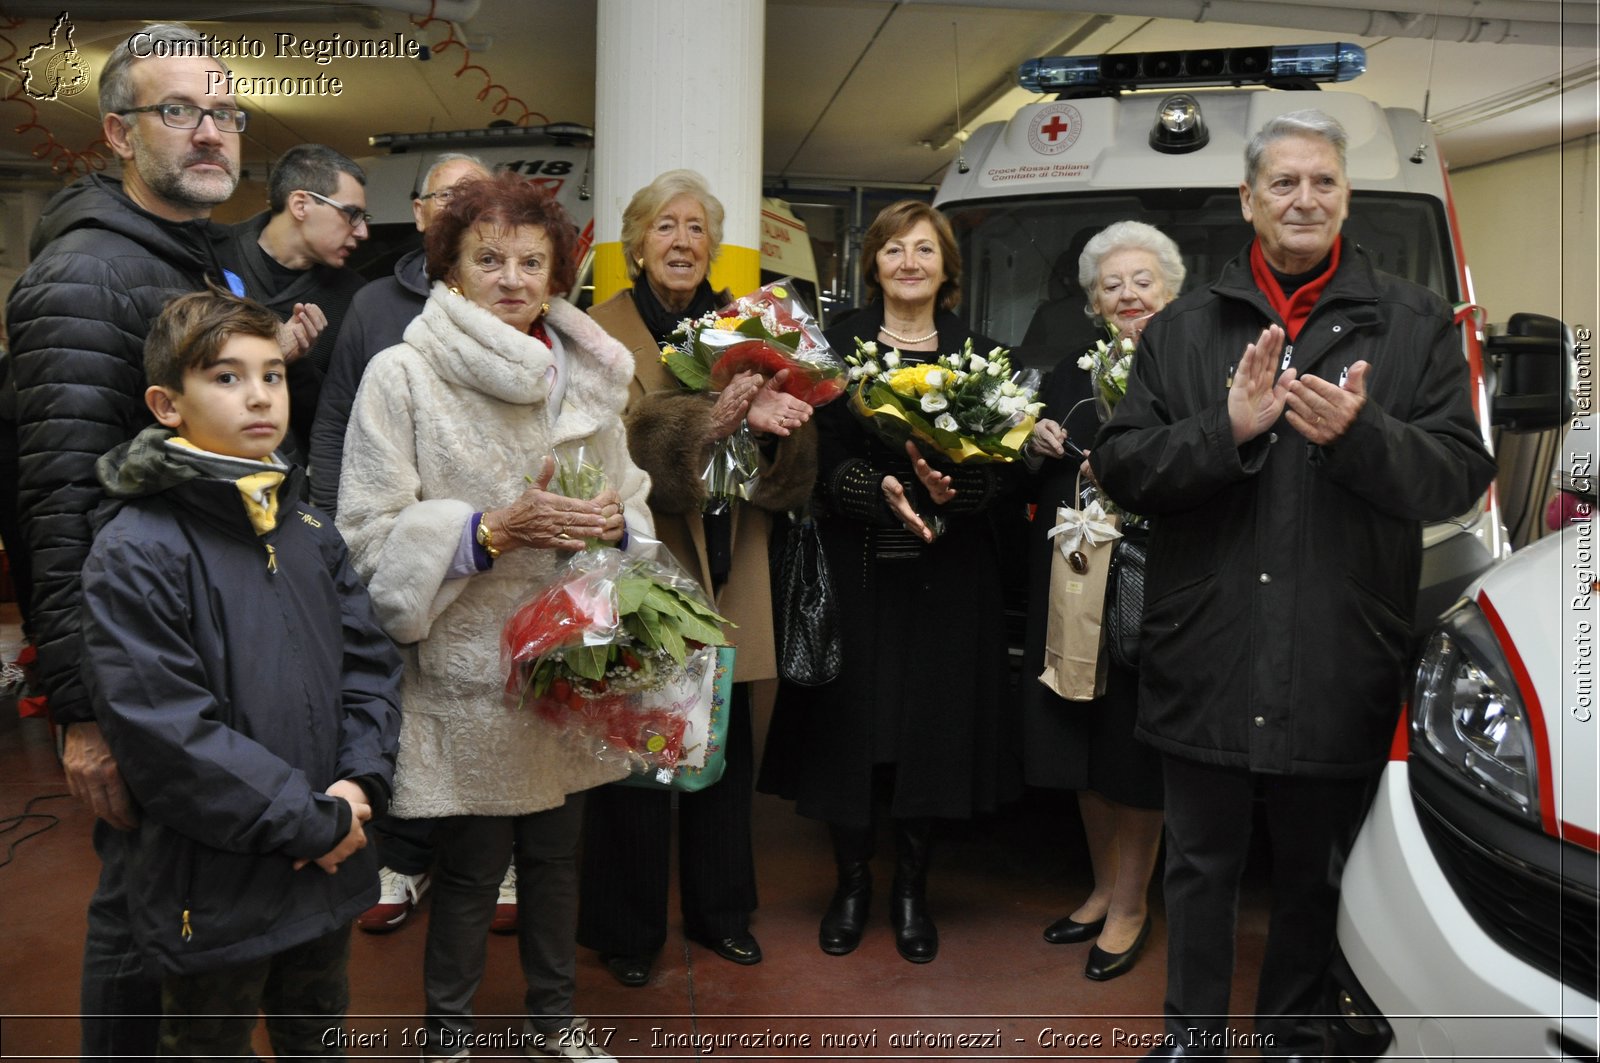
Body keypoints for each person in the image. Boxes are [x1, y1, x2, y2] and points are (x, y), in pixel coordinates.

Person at [1089, 110, 1497, 1058]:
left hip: (1339, 647)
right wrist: (1222, 431)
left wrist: (1364, 436)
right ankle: (1192, 1037)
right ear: (1248, 200)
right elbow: (1123, 466)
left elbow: (1457, 474)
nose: (1304, 198)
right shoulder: (1184, 329)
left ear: (1346, 195)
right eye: (1283, 183)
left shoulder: (1417, 322)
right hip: (1208, 647)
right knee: (1197, 867)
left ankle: (1291, 1035)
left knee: (1317, 872)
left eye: (1322, 181)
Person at [0, 25, 311, 1057]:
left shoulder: (204, 261)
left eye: (226, 113)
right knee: (144, 913)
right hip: (148, 671)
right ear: (118, 135)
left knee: (202, 907)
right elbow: (55, 503)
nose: (212, 133)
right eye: (179, 111)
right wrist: (83, 713)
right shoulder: (87, 276)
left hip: (223, 646)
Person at [337, 171, 650, 1061]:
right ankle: (448, 1034)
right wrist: (485, 532)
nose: (512, 278)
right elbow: (365, 533)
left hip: (572, 656)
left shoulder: (588, 378)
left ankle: (556, 1019)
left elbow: (632, 496)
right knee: (472, 867)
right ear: (452, 266)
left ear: (557, 273)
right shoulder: (404, 373)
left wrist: (619, 523)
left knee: (556, 859)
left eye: (531, 260)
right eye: (489, 259)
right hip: (473, 663)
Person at [76, 290, 402, 1058]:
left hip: (328, 859)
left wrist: (360, 785)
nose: (259, 395)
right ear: (166, 404)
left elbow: (371, 665)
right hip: (215, 884)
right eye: (225, 378)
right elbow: (169, 734)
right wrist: (315, 821)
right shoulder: (138, 547)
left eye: (274, 374)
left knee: (317, 1038)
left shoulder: (309, 527)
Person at [758, 199, 1021, 964]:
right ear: (872, 264)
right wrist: (877, 492)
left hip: (947, 571)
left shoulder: (984, 355)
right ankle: (851, 884)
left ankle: (911, 887)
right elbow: (816, 454)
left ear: (947, 268)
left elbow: (1004, 469)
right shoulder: (831, 350)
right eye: (894, 250)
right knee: (851, 729)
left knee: (928, 732)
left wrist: (959, 491)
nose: (909, 262)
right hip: (856, 563)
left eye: (924, 250)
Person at [580, 170, 817, 987]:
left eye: (696, 229)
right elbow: (607, 443)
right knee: (636, 755)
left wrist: (788, 424)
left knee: (724, 749)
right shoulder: (598, 331)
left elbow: (792, 459)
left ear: (714, 247)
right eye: (665, 226)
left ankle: (722, 914)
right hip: (643, 563)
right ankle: (627, 926)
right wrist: (714, 418)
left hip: (730, 558)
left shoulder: (747, 327)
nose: (682, 241)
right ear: (636, 241)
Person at [307, 151, 496, 935]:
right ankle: (405, 852)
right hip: (391, 535)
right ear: (418, 212)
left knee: (491, 695)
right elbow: (333, 418)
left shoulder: (509, 299)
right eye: (448, 196)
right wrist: (330, 527)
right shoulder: (373, 304)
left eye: (477, 198)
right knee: (402, 694)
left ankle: (498, 849)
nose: (462, 207)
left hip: (490, 545)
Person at [1021, 220, 1185, 982]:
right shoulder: (1065, 372)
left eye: (1141, 280)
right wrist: (1034, 440)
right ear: (1092, 302)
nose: (1127, 294)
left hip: (1155, 589)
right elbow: (1030, 465)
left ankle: (1130, 904)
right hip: (1073, 585)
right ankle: (1098, 888)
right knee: (1082, 742)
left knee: (1132, 750)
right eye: (1111, 285)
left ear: (1171, 291)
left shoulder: (1194, 365)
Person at [217, 143, 370, 453]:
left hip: (287, 479)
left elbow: (336, 421)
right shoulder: (212, 254)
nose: (363, 231)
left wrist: (297, 365)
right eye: (352, 215)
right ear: (301, 205)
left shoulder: (353, 297)